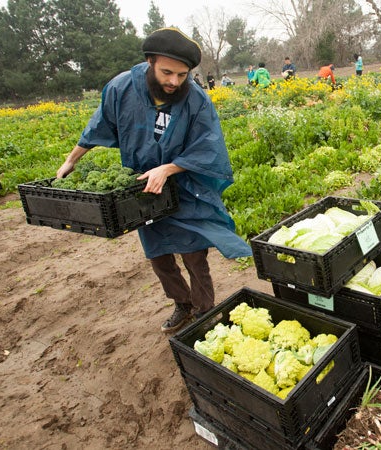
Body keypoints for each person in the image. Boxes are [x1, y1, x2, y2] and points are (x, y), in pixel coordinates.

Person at [55, 27, 251, 333]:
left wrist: (169, 168)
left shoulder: (195, 100)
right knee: (158, 253)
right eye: (167, 72)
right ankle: (181, 304)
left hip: (185, 187)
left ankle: (203, 309)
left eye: (182, 75)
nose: (174, 81)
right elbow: (98, 125)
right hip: (144, 189)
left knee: (194, 251)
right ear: (150, 62)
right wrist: (71, 160)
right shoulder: (122, 89)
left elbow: (207, 145)